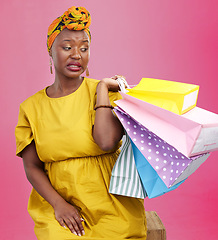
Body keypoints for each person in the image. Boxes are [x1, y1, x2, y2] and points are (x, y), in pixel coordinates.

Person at [15, 6, 147, 240]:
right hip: (59, 204)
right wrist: (59, 205)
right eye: (67, 47)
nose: (77, 55)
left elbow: (106, 143)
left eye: (84, 48)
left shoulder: (105, 93)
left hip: (110, 201)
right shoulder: (30, 107)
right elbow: (32, 166)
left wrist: (103, 90)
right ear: (50, 50)